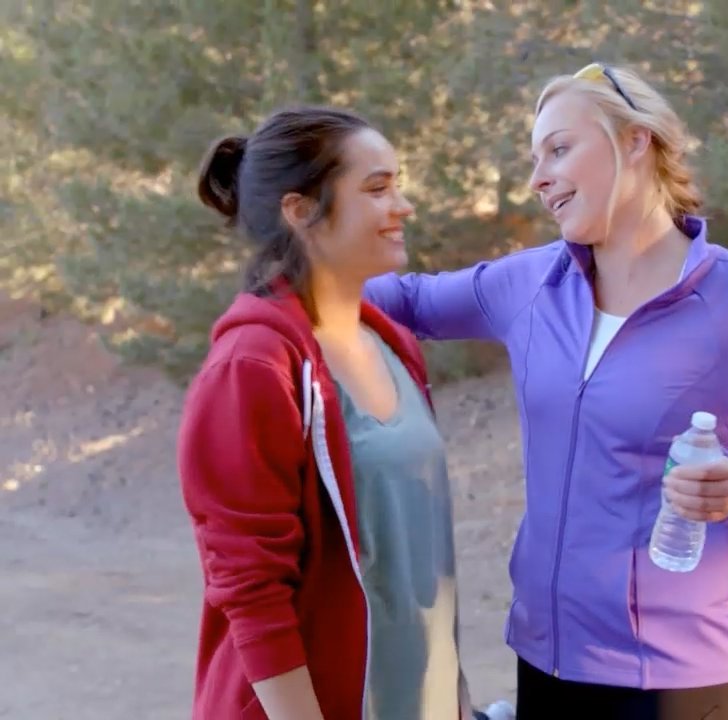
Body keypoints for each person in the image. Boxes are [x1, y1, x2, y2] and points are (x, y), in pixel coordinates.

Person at [364, 62, 728, 719]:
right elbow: (399, 300)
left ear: (635, 140)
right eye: (535, 160)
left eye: (559, 149)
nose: (538, 179)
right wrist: (297, 262)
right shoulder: (531, 285)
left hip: (684, 679)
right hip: (548, 660)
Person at [178, 106, 506, 720]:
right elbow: (251, 589)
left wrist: (454, 700)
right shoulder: (253, 364)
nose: (403, 206)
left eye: (397, 184)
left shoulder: (392, 343)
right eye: (377, 189)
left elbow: (418, 557)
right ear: (300, 210)